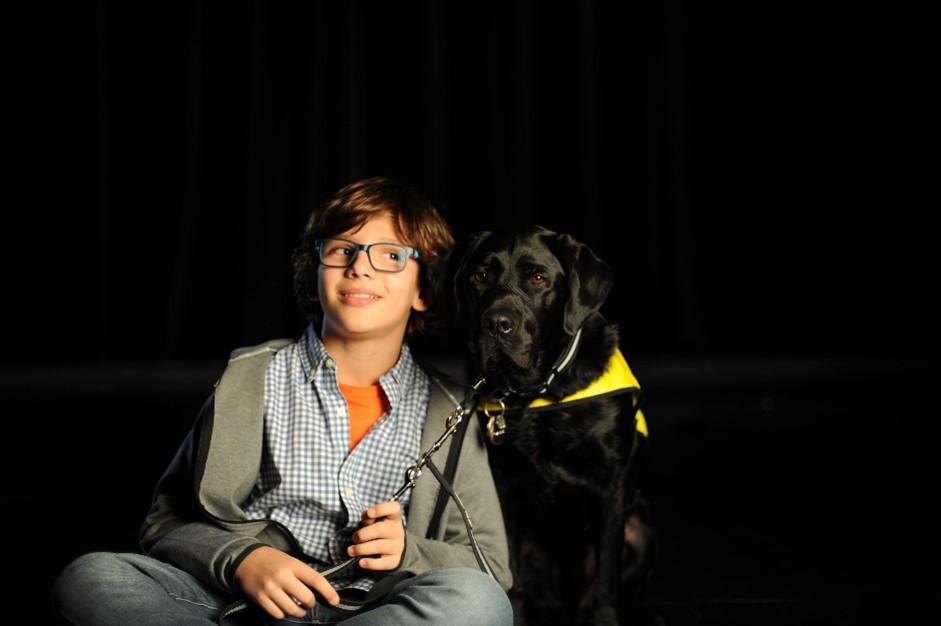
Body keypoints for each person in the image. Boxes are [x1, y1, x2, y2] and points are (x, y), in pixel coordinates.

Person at [50, 176, 513, 625]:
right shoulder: (252, 377)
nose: (360, 266)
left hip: (371, 610)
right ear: (313, 278)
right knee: (90, 579)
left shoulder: (451, 408)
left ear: (424, 290)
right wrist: (242, 560)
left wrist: (408, 551)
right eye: (340, 250)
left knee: (477, 601)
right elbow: (164, 522)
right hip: (234, 605)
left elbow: (491, 565)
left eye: (391, 254)